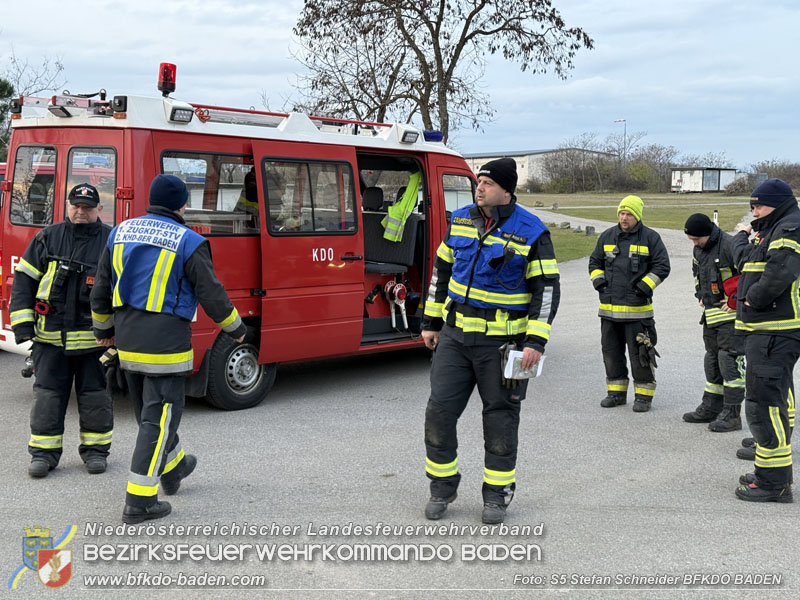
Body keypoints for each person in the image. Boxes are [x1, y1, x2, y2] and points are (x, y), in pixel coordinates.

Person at [91, 174, 246, 523]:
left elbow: (100, 288)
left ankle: (174, 468)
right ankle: (140, 501)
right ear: (182, 205)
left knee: (152, 416)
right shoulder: (189, 241)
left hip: (128, 343)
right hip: (166, 348)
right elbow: (212, 293)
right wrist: (236, 329)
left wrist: (103, 330)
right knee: (158, 422)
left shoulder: (119, 233)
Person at [421, 158, 560, 524]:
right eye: (478, 181)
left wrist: (536, 341)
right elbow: (441, 272)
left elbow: (545, 292)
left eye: (486, 182)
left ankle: (497, 494)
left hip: (502, 346)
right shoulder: (461, 219)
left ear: (506, 191)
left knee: (500, 419)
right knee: (439, 411)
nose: (478, 187)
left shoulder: (532, 231)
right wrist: (430, 321)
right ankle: (441, 485)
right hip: (454, 337)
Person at [10, 184, 113, 478]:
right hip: (49, 339)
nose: (81, 211)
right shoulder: (47, 238)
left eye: (88, 207)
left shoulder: (111, 240)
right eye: (76, 206)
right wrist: (23, 324)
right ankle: (43, 455)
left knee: (95, 399)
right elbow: (24, 282)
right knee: (48, 398)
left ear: (98, 210)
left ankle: (96, 452)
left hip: (95, 342)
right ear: (67, 207)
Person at [731, 178, 800, 503]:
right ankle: (772, 472)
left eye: (758, 205)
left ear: (775, 203)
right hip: (771, 329)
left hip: (775, 328)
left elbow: (780, 272)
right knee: (775, 399)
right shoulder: (775, 227)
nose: (754, 211)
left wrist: (752, 299)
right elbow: (749, 262)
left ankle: (773, 483)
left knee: (763, 404)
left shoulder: (787, 229)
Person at [588, 195, 671, 412]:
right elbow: (594, 262)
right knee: (611, 353)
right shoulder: (607, 236)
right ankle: (616, 394)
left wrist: (644, 287)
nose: (624, 218)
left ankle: (643, 397)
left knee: (640, 355)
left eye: (629, 214)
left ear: (637, 216)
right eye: (621, 213)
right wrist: (600, 284)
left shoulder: (651, 238)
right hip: (608, 311)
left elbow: (662, 266)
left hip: (638, 312)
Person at [681, 213, 745, 432]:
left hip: (732, 317)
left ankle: (732, 414)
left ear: (707, 233)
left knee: (729, 361)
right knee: (712, 360)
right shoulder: (699, 249)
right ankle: (711, 406)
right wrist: (700, 293)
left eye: (696, 239)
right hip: (711, 315)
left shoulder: (730, 245)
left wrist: (736, 300)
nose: (694, 243)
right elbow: (697, 273)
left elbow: (748, 274)